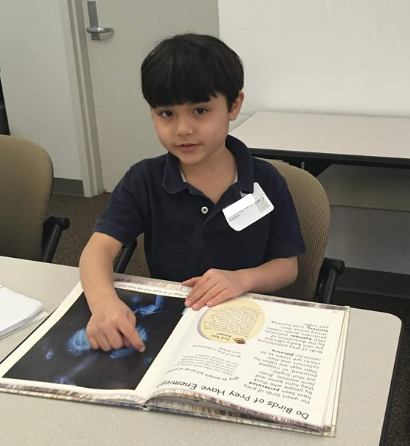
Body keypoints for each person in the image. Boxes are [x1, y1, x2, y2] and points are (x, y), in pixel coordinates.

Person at [79, 33, 305, 354]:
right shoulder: (144, 179)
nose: (182, 129)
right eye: (166, 113)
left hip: (245, 321)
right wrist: (103, 302)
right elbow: (97, 249)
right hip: (172, 319)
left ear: (234, 105)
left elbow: (287, 266)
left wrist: (242, 279)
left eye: (200, 110)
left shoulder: (266, 181)